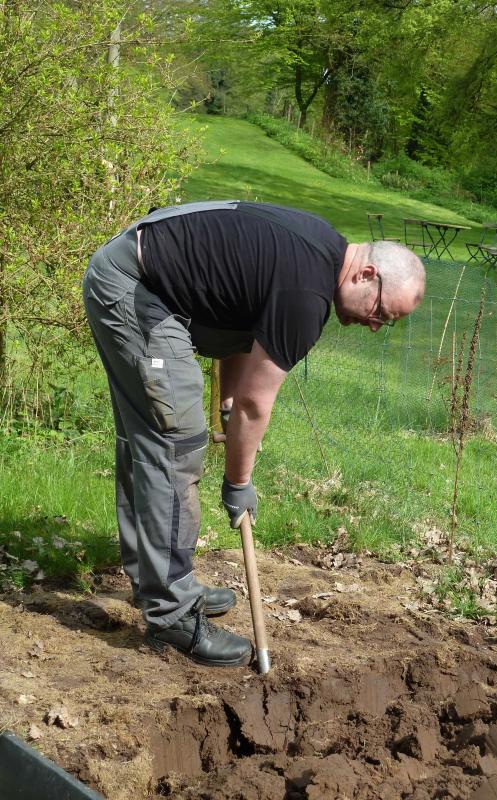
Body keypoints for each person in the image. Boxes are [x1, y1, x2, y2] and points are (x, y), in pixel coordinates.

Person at [82, 200, 425, 668]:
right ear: (366, 275)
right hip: (135, 288)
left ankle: (162, 582)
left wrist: (226, 401)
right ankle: (173, 614)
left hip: (137, 277)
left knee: (154, 439)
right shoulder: (308, 293)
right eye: (382, 313)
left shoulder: (320, 250)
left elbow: (239, 321)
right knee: (173, 444)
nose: (373, 325)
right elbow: (255, 403)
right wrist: (239, 482)